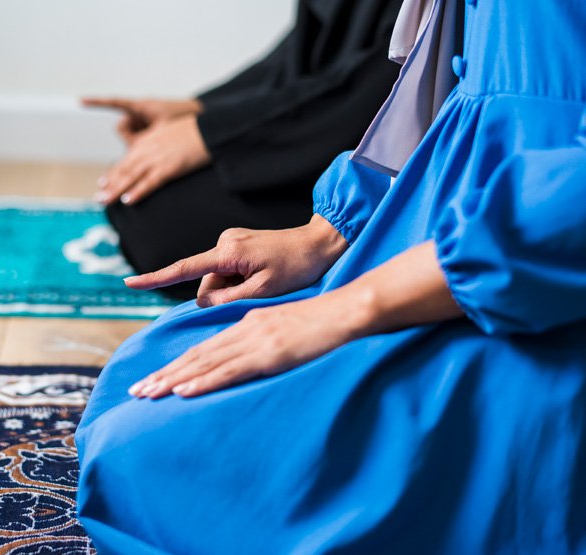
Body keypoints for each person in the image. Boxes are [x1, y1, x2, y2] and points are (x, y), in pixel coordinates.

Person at [76, 0, 586, 553]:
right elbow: (440, 81)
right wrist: (330, 233)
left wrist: (347, 307)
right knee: (145, 374)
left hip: (542, 268)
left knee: (146, 451)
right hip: (449, 225)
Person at [82, 0, 404, 298]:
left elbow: (379, 89)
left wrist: (210, 134)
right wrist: (199, 109)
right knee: (143, 193)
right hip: (312, 136)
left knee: (164, 226)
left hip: (376, 162)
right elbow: (302, 55)